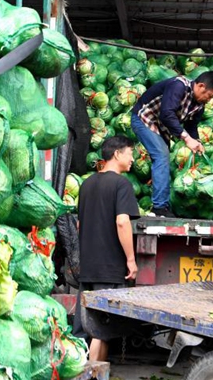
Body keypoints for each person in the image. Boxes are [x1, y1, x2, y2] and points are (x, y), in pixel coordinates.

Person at [72, 135, 140, 361]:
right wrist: (131, 259)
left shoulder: (87, 184)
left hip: (89, 265)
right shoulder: (122, 184)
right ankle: (90, 373)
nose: (133, 159)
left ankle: (88, 368)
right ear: (117, 154)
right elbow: (122, 221)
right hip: (109, 266)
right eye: (130, 153)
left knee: (87, 325)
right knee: (100, 328)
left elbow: (80, 224)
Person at [130, 71, 213, 217]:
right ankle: (159, 208)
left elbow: (191, 127)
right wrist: (187, 139)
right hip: (144, 119)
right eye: (210, 96)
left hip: (161, 128)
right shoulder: (179, 85)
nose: (209, 100)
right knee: (161, 155)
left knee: (164, 160)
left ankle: (164, 206)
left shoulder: (199, 105)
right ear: (201, 86)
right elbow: (166, 114)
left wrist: (197, 142)